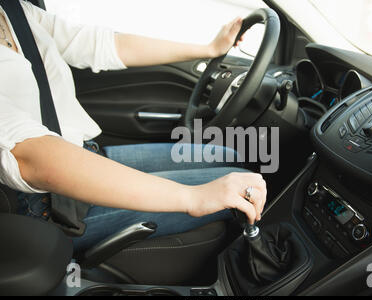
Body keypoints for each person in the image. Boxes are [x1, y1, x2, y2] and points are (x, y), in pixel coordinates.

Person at [0, 1, 266, 253]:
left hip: (83, 155)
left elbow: (101, 44)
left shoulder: (14, 10)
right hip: (45, 204)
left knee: (228, 159)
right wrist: (194, 198)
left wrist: (210, 48)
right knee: (241, 197)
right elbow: (31, 157)